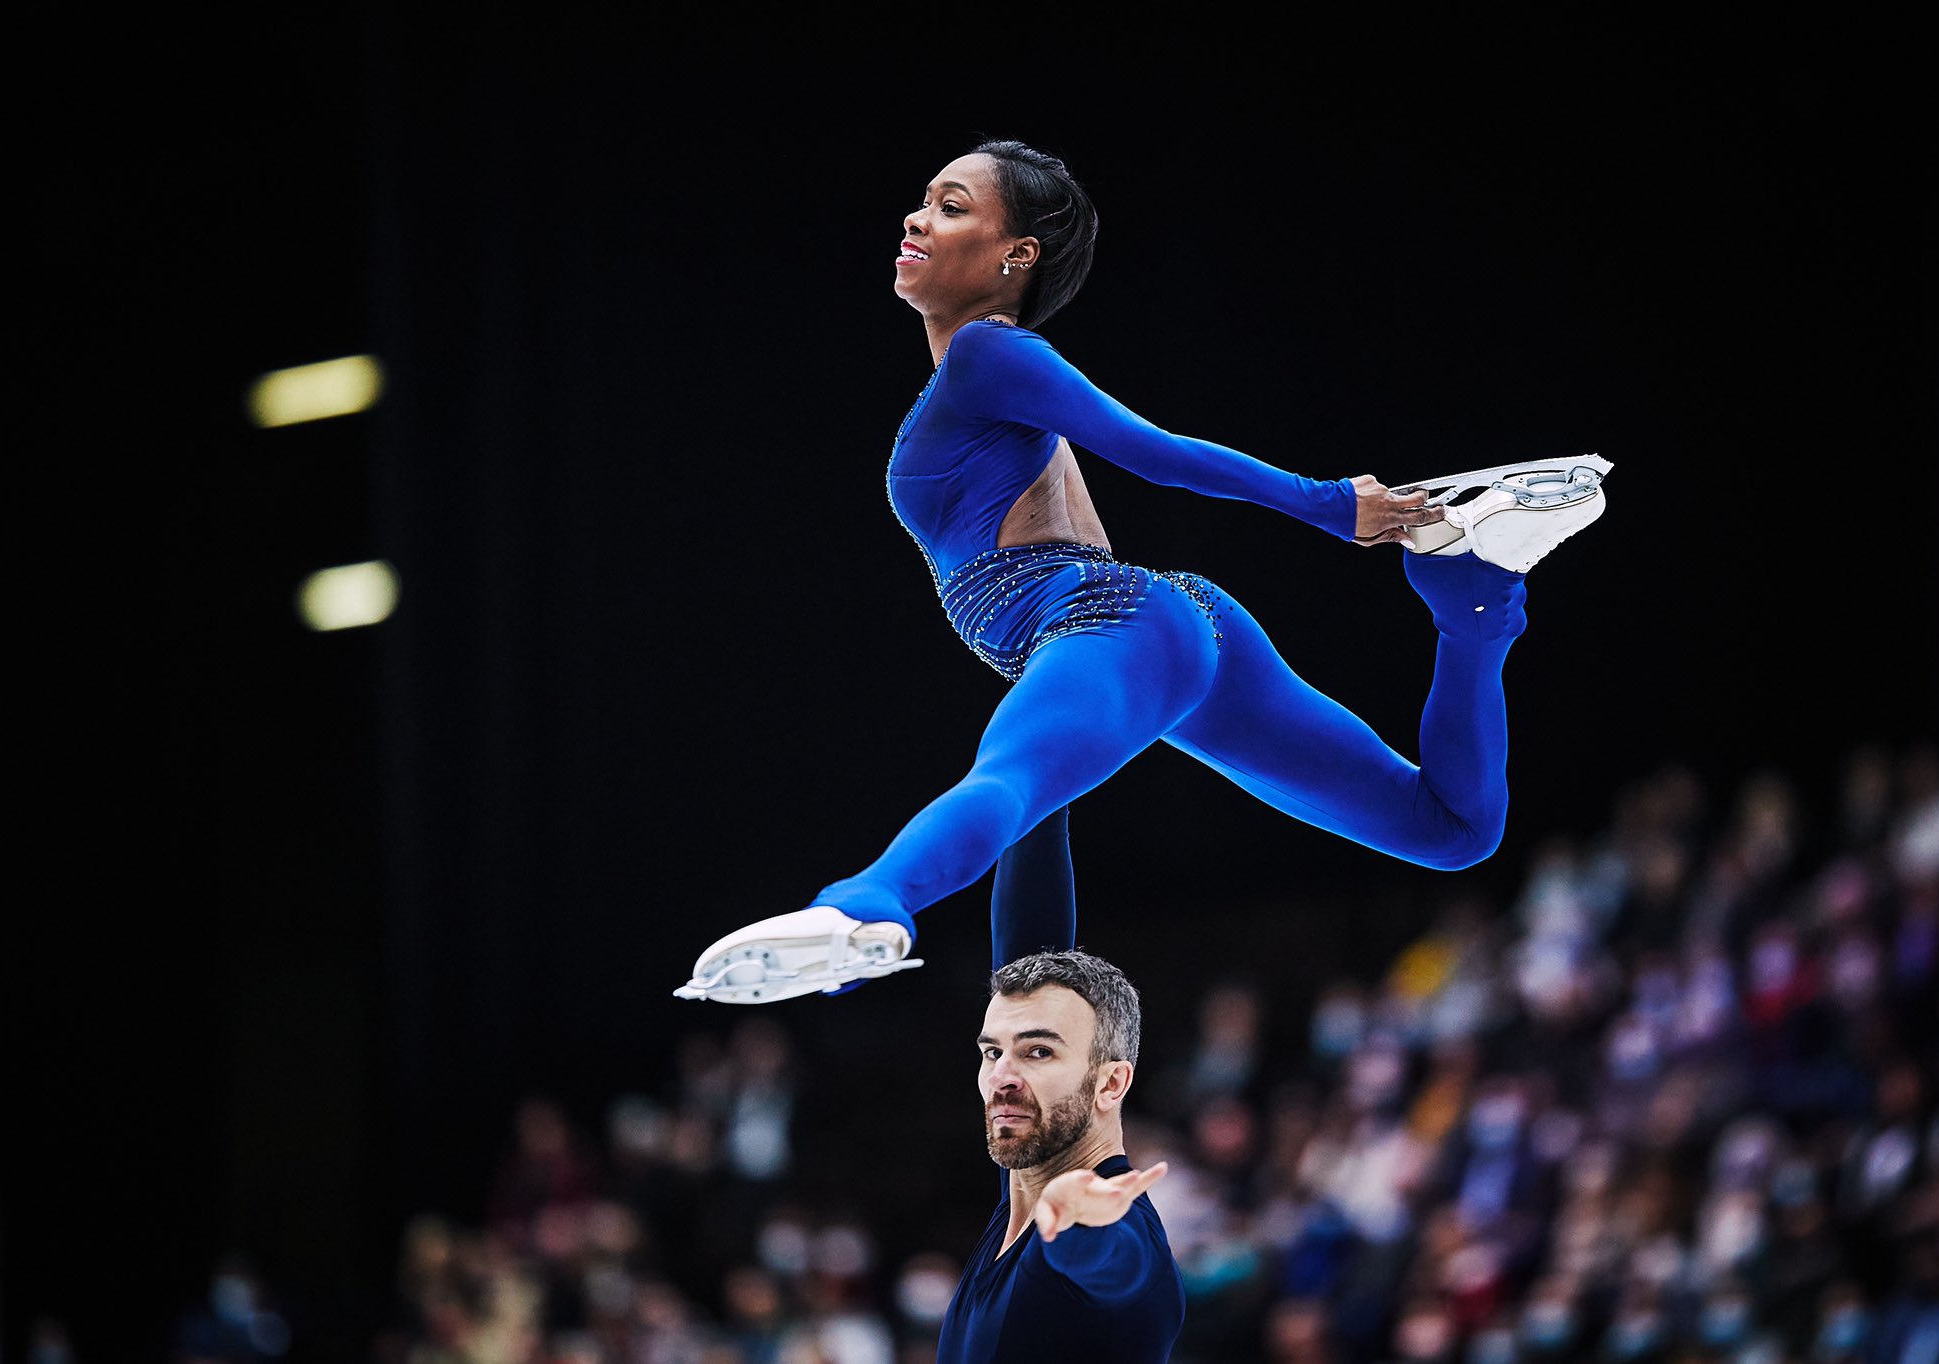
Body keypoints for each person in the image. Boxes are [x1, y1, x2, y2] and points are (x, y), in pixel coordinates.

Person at [674, 137, 1611, 1005]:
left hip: (1113, 620)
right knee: (1451, 831)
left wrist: (1330, 503)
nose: (917, 220)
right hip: (1165, 627)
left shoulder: (987, 355)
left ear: (1016, 256)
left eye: (951, 207)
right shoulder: (984, 375)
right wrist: (1025, 1005)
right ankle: (1473, 600)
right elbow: (1038, 814)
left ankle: (862, 905)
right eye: (922, 203)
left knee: (1000, 781)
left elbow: (1151, 449)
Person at [943, 944, 1184, 1362]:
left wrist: (1075, 1225)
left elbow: (1118, 1267)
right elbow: (1028, 909)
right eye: (992, 1052)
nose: (1001, 1078)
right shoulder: (1027, 1178)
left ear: (1110, 1084)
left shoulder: (1116, 1232)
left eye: (1038, 1052)